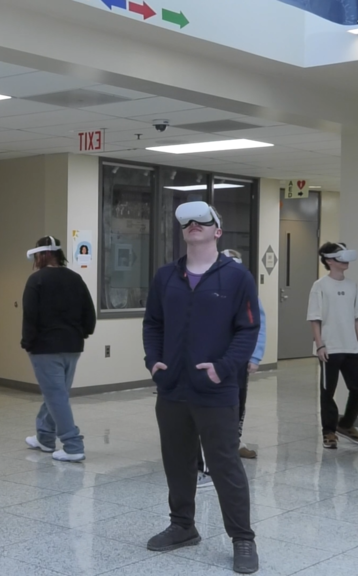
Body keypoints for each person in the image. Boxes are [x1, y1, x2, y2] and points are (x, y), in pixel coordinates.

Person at [143, 201, 260, 574]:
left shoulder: (237, 277)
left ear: (217, 231)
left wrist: (224, 368)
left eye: (202, 221)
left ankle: (242, 538)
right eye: (186, 222)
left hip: (217, 389)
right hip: (172, 387)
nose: (193, 225)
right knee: (177, 461)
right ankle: (182, 526)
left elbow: (248, 329)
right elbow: (153, 323)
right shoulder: (165, 277)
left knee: (225, 465)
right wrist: (153, 361)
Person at [22, 236, 96, 462]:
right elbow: (89, 315)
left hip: (45, 348)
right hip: (72, 346)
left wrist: (28, 342)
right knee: (57, 393)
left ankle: (73, 445)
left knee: (55, 396)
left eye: (36, 255)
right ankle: (44, 437)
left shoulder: (37, 280)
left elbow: (30, 316)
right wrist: (81, 334)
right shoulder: (76, 278)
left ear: (43, 255)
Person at [196, 249, 265, 488]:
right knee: (210, 411)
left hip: (238, 362)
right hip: (212, 362)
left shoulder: (247, 291)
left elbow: (259, 325)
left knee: (237, 404)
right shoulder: (206, 290)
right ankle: (207, 460)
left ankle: (233, 443)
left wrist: (255, 356)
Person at [308, 242, 358, 451]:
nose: (345, 262)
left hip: (351, 347)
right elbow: (315, 319)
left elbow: (356, 318)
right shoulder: (320, 285)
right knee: (328, 391)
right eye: (340, 258)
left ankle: (345, 424)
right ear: (329, 260)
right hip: (329, 347)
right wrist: (320, 346)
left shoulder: (353, 285)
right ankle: (329, 432)